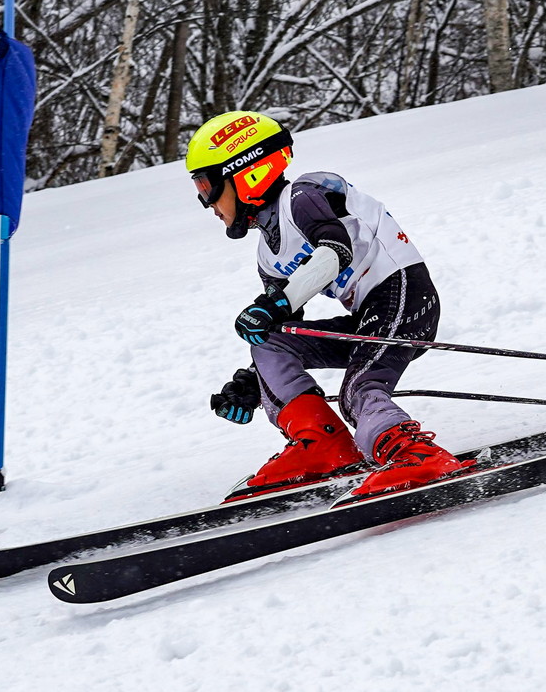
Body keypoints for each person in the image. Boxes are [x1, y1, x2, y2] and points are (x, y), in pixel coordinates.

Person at [185, 110, 471, 499]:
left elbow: (335, 250)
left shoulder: (302, 196)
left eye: (207, 185)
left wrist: (277, 301)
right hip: (368, 316)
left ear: (248, 172)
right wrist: (253, 383)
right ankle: (321, 445)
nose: (207, 203)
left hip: (403, 295)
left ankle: (416, 456)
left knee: (359, 389)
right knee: (269, 340)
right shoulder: (267, 254)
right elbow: (287, 324)